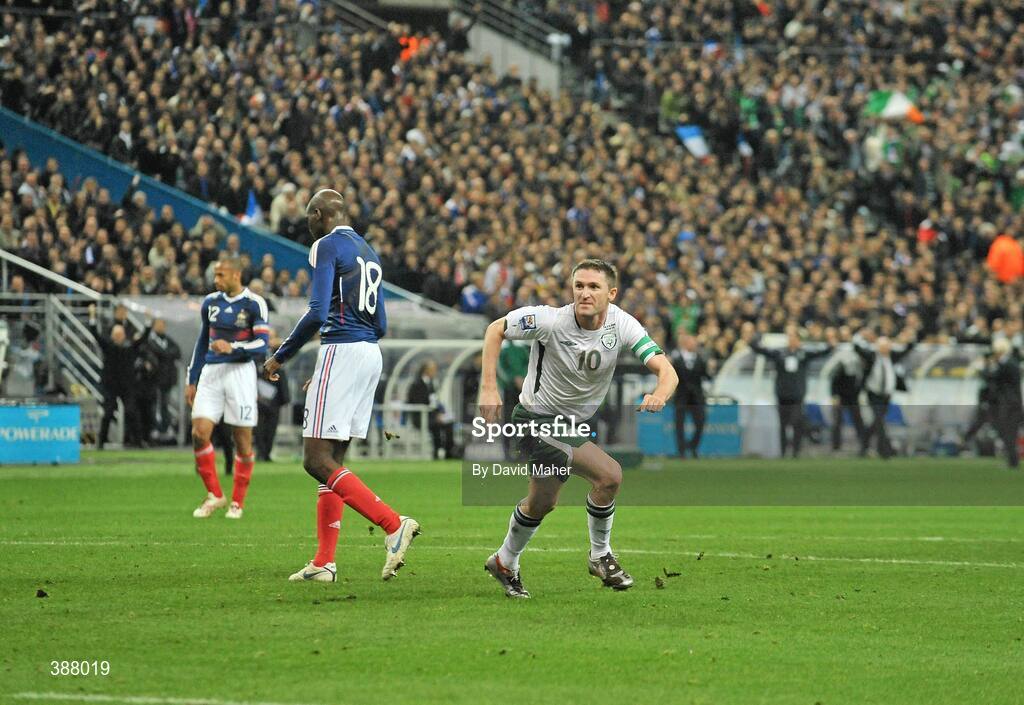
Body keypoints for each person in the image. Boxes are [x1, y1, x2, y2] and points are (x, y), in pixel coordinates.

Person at [477, 258, 678, 598]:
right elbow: (495, 328)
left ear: (611, 293)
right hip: (533, 420)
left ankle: (504, 560)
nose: (585, 293)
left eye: (594, 287)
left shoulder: (623, 325)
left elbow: (667, 371)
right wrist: (488, 387)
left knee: (541, 503)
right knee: (609, 475)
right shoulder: (550, 320)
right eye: (579, 286)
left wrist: (660, 393)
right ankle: (600, 556)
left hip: (567, 424)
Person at [264, 188, 419, 583]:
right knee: (332, 462)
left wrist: (281, 354)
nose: (307, 225)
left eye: (308, 217)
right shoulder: (368, 251)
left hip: (343, 349)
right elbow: (381, 324)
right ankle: (324, 562)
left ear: (318, 214)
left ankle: (392, 524)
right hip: (369, 353)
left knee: (315, 460)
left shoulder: (326, 245)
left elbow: (318, 310)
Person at [185, 258, 270, 519]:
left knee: (242, 441)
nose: (216, 280)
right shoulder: (210, 303)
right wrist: (192, 378)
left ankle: (237, 502)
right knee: (199, 433)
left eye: (221, 275)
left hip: (240, 372)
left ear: (236, 274)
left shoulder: (254, 303)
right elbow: (202, 341)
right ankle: (215, 495)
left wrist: (233, 348)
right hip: (211, 372)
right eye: (215, 274)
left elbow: (262, 345)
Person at [744, 324, 836, 458]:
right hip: (782, 394)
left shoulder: (804, 354)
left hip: (798, 394)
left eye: (795, 338)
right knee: (783, 424)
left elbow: (822, 353)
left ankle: (796, 452)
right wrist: (756, 337)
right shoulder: (779, 353)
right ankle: (783, 452)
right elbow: (759, 349)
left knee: (796, 421)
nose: (793, 340)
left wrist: (831, 345)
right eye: (791, 338)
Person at [89, 303, 151, 449]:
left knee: (132, 412)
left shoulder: (130, 347)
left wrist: (148, 321)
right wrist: (92, 316)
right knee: (108, 413)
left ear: (124, 336)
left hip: (127, 385)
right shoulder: (108, 347)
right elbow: (95, 334)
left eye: (121, 334)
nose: (118, 337)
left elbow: (144, 338)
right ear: (112, 336)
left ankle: (138, 441)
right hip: (110, 385)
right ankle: (101, 442)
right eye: (116, 335)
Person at [853, 330, 917, 459]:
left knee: (876, 423)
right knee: (879, 421)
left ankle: (863, 446)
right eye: (883, 346)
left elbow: (908, 349)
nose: (885, 349)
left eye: (887, 346)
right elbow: (856, 347)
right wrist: (860, 335)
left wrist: (909, 337)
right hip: (873, 393)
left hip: (887, 395)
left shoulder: (893, 357)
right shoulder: (871, 356)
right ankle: (885, 451)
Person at [668, 331, 714, 458]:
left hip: (697, 398)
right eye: (692, 342)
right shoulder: (676, 360)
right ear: (685, 344)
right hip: (681, 397)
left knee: (700, 423)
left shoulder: (701, 359)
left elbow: (707, 377)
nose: (695, 345)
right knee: (679, 425)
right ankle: (681, 451)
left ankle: (693, 447)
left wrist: (711, 369)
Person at [828, 328, 867, 453]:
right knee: (837, 422)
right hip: (840, 394)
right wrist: (834, 395)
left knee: (858, 421)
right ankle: (836, 448)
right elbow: (834, 377)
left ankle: (864, 446)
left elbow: (859, 376)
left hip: (853, 394)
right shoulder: (839, 353)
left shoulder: (856, 351)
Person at [406, 359, 454, 459]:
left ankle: (449, 452)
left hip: (432, 416)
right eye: (433, 370)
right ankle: (436, 453)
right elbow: (415, 402)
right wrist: (434, 415)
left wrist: (439, 413)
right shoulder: (416, 384)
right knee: (435, 426)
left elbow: (434, 401)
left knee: (449, 424)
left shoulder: (431, 383)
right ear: (426, 370)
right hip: (420, 417)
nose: (435, 372)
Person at [255, 333, 290, 461]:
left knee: (271, 428)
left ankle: (267, 453)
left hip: (275, 398)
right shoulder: (257, 354)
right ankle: (261, 453)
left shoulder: (279, 351)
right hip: (259, 397)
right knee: (259, 428)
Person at [990, 338, 1022, 468]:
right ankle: (1012, 461)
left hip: (1011, 404)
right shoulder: (1011, 363)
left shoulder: (1007, 364)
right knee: (1009, 433)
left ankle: (1013, 462)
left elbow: (994, 377)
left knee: (1009, 433)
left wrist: (984, 369)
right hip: (1013, 403)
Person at [147, 318, 181, 440]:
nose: (161, 327)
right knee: (155, 404)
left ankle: (164, 428)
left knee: (164, 404)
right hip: (155, 379)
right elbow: (158, 352)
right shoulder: (151, 339)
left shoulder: (167, 339)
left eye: (163, 324)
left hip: (167, 379)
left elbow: (178, 351)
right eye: (158, 324)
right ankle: (155, 428)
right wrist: (167, 355)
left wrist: (165, 354)